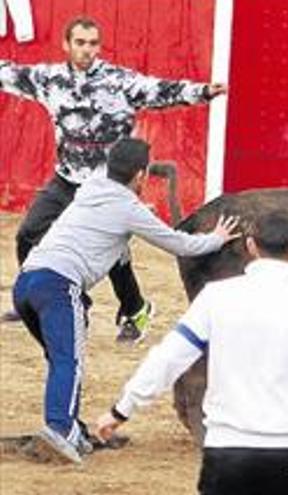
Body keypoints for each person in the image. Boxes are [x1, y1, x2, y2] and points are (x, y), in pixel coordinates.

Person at [95, 209, 288, 495]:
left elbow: (168, 357)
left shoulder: (216, 298)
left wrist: (122, 409)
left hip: (226, 450)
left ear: (251, 246)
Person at [12, 138, 239, 464]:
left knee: (60, 358)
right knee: (68, 362)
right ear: (141, 175)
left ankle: (72, 428)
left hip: (26, 283)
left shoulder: (90, 187)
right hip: (60, 287)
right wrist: (215, 239)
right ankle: (61, 431)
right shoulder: (128, 209)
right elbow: (180, 244)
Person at [0, 16, 228, 341]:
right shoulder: (48, 79)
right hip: (67, 180)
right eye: (80, 43)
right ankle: (52, 302)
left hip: (111, 186)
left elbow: (161, 90)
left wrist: (202, 92)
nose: (87, 50)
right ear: (67, 45)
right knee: (28, 234)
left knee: (115, 256)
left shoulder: (118, 81)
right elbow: (8, 74)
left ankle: (135, 310)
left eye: (93, 43)